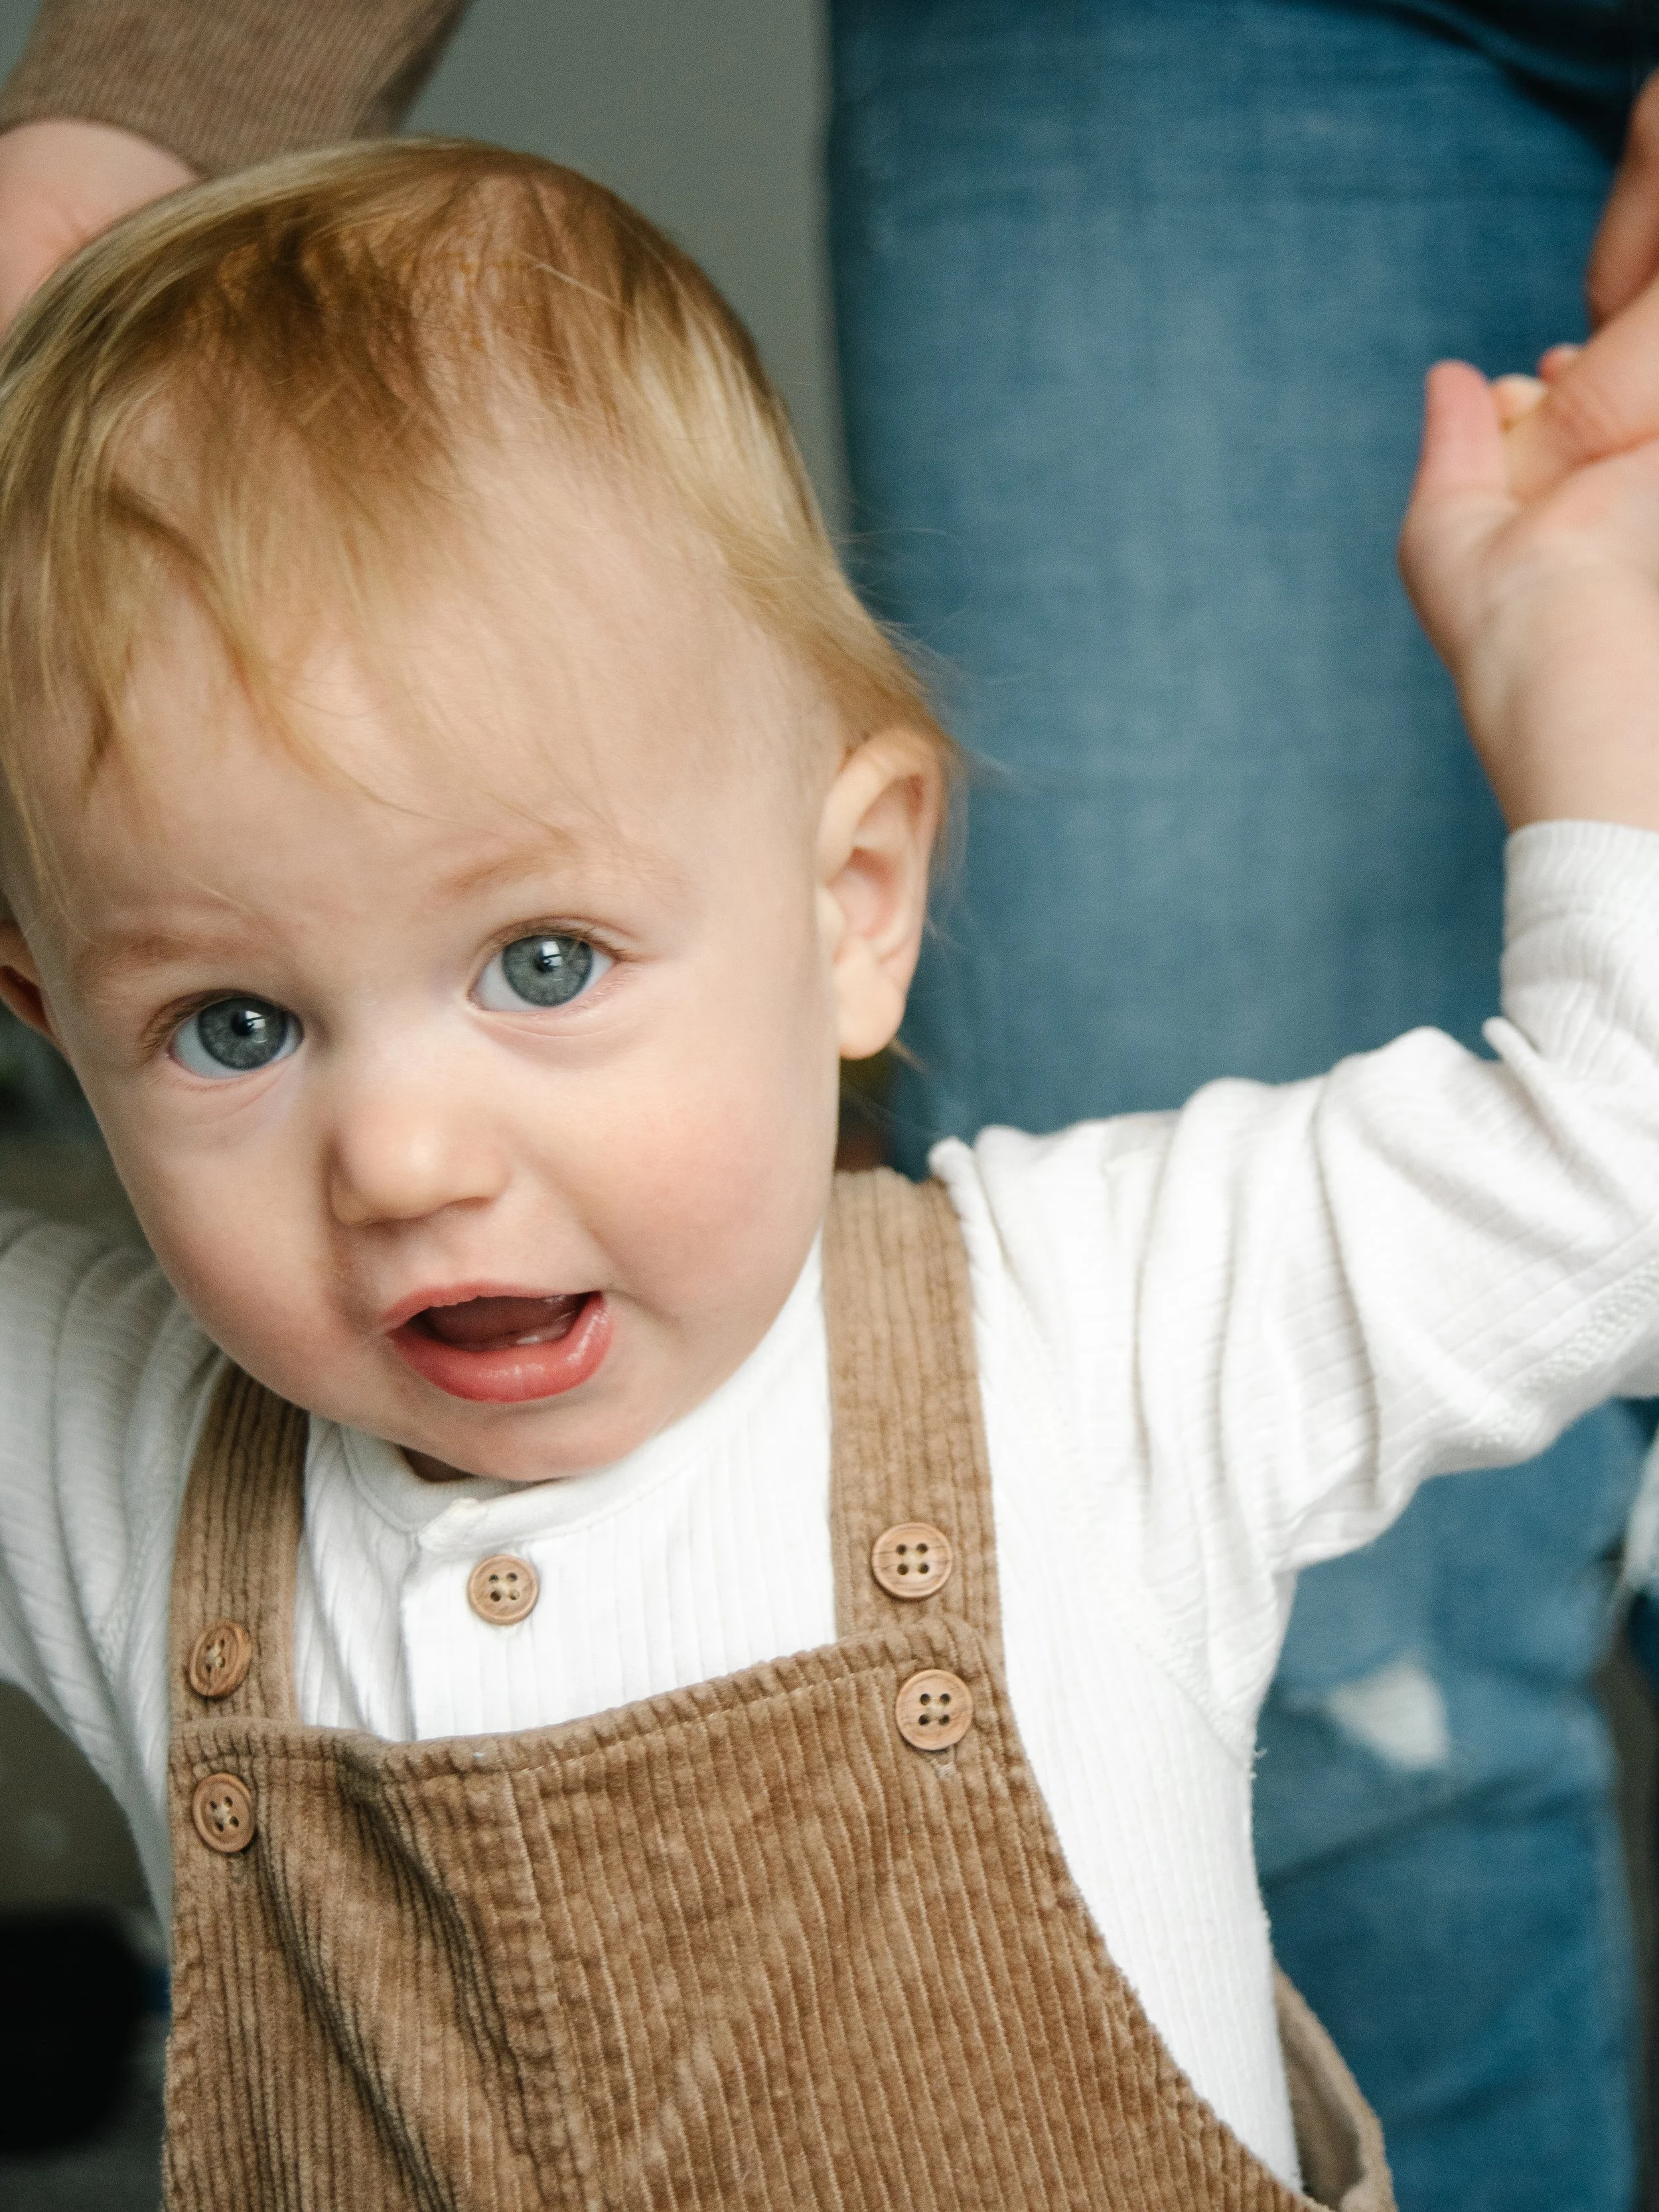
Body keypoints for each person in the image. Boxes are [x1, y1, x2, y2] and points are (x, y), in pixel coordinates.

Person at [5, 11, 1659, 2207]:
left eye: (542, 965)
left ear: (854, 900)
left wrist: (1584, 695)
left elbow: (1608, 1173)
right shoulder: (111, 1460)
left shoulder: (1107, 1334)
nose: (402, 1161)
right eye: (231, 1025)